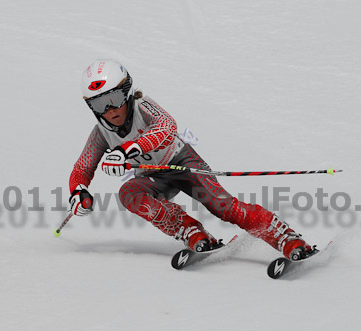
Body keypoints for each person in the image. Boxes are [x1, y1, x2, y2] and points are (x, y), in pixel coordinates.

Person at [68, 59, 315, 260]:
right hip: (155, 177)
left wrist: (127, 150)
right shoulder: (101, 133)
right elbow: (82, 168)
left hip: (184, 164)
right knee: (129, 193)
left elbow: (166, 127)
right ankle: (191, 231)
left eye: (113, 99)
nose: (109, 110)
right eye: (99, 103)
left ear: (128, 92)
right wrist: (79, 192)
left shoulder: (143, 106)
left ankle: (286, 238)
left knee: (223, 207)